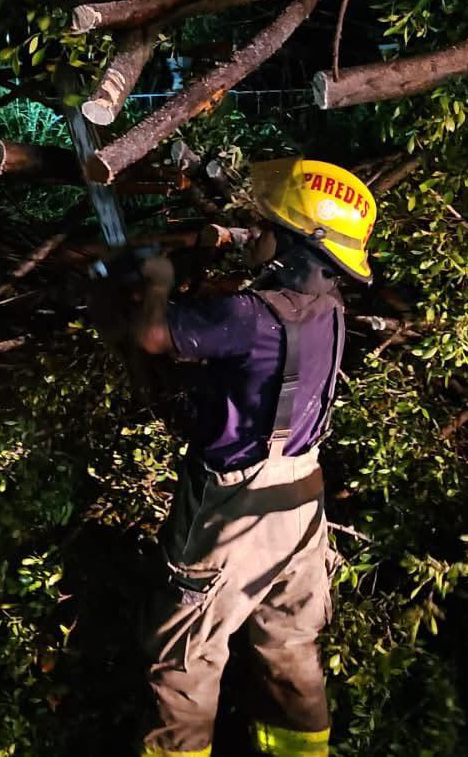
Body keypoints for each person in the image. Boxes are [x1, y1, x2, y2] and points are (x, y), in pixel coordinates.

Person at [106, 158, 377, 757]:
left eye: (265, 226)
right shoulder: (330, 307)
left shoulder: (248, 318)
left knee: (185, 662)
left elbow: (156, 337)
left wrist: (155, 280)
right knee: (290, 647)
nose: (255, 232)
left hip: (235, 513)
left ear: (292, 246)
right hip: (302, 504)